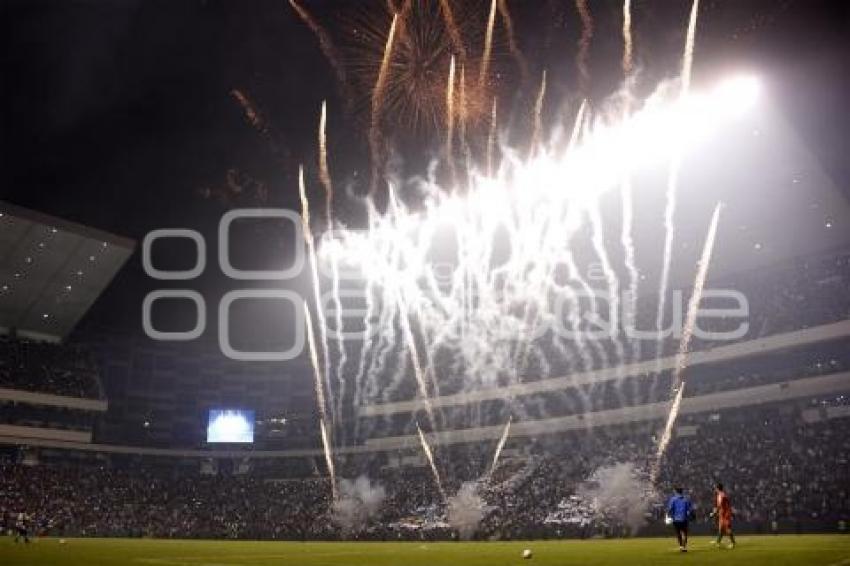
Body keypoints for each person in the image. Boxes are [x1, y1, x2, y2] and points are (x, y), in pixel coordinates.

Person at [666, 487, 693, 552]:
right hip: (684, 519)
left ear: (676, 492)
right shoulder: (686, 499)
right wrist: (690, 516)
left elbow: (670, 508)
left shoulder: (673, 499)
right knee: (684, 533)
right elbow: (690, 509)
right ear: (682, 492)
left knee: (678, 533)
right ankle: (684, 546)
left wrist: (667, 515)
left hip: (676, 519)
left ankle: (681, 546)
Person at [711, 482, 736, 549]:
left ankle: (732, 543)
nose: (715, 489)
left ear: (717, 488)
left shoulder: (721, 495)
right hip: (723, 513)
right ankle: (718, 542)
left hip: (725, 514)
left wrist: (713, 513)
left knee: (727, 529)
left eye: (715, 488)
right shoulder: (722, 495)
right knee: (721, 529)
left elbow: (719, 505)